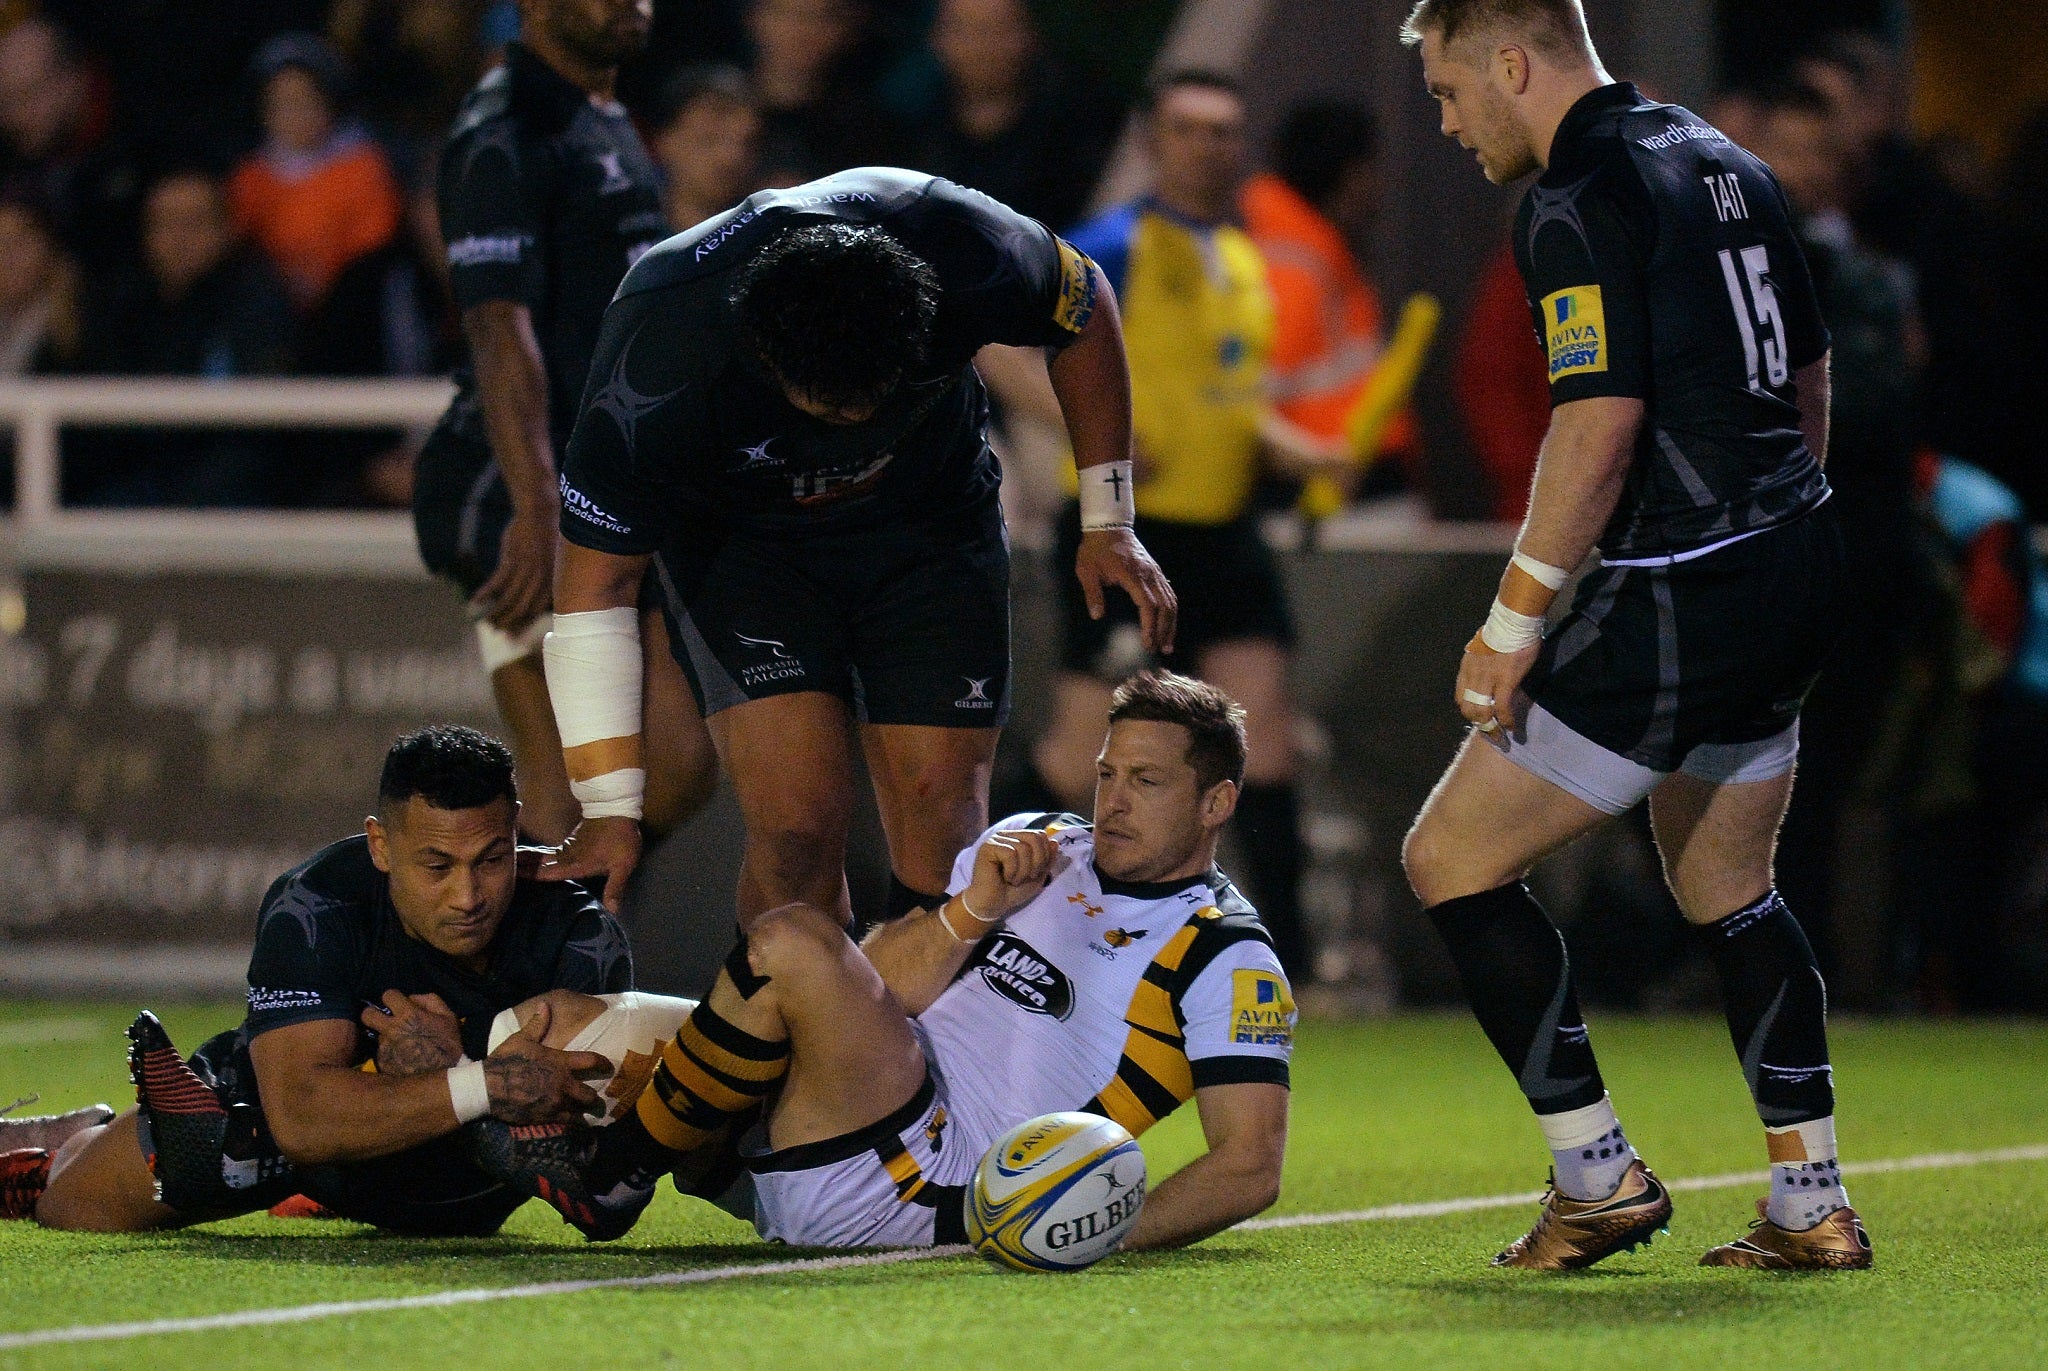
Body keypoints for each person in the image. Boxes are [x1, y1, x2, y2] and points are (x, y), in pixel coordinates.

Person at [1396, 0, 1871, 1271]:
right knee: (1729, 889)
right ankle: (1807, 1201)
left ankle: (1595, 1178)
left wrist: (1510, 620)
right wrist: (1782, 528)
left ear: (1509, 63)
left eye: (1447, 91)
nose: (1444, 122)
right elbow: (1808, 374)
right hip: (1798, 554)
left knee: (1448, 859)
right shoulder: (1729, 159)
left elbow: (1594, 426)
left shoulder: (1570, 195)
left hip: (1688, 578)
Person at [536, 166, 1175, 930]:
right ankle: (801, 1037)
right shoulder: (655, 351)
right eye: (832, 409)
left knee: (945, 829)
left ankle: (928, 1046)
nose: (856, 424)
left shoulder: (958, 239)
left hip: (929, 525)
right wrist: (609, 808)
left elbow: (1085, 304)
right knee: (796, 829)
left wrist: (1110, 519)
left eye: (878, 397)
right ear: (766, 359)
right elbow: (592, 591)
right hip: (749, 551)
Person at [524, 671, 1291, 1246]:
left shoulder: (1227, 953)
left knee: (792, 937)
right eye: (1107, 774)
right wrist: (972, 910)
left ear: (1217, 802)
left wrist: (1096, 1232)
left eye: (1147, 781)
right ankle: (460, 1183)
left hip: (930, 1179)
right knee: (544, 1029)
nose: (1113, 801)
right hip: (829, 1114)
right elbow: (880, 985)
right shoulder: (1043, 843)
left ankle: (614, 1172)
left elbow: (1251, 1164)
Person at [0, 726, 695, 1235]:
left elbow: (594, 1185)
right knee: (78, 1204)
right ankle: (71, 1142)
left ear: (517, 831)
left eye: (490, 858)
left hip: (459, 1191)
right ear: (381, 845)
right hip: (287, 1135)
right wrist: (482, 1082)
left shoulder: (578, 929)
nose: (468, 895)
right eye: (435, 866)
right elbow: (302, 1118)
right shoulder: (316, 904)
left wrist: (449, 1067)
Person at [1028, 70, 1348, 981]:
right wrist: (1100, 440)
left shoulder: (1242, 256)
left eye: (1226, 130)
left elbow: (1229, 403)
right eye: (1189, 128)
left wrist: (1300, 452)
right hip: (1124, 528)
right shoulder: (1111, 246)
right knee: (1076, 755)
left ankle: (1290, 964)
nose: (1210, 146)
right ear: (1153, 139)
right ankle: (996, 928)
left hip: (1223, 529)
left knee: (1269, 742)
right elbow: (1004, 348)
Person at [412, 0, 716, 847]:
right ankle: (529, 978)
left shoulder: (605, 118)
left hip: (608, 483)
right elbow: (495, 324)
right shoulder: (502, 131)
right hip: (516, 484)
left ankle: (552, 957)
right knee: (572, 791)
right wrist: (535, 505)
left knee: (675, 768)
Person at [66, 168, 297, 508]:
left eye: (196, 222)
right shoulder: (120, 300)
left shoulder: (258, 302)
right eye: (166, 223)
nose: (180, 237)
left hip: (229, 488)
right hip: (131, 481)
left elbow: (258, 431)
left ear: (227, 230)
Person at [1240, 99, 1423, 506]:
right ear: (1349, 173)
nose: (1378, 186)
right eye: (1372, 169)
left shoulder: (1307, 249)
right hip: (1329, 487)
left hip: (1337, 476)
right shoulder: (1296, 261)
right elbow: (1254, 393)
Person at [907, 0, 1125, 233]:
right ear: (936, 39)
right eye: (966, 30)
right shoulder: (910, 121)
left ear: (1029, 35)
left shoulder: (1080, 124)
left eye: (997, 30)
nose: (982, 47)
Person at [651, 65, 762, 232]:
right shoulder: (624, 226)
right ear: (665, 140)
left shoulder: (762, 236)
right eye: (710, 141)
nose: (731, 158)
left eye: (747, 144)